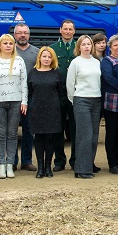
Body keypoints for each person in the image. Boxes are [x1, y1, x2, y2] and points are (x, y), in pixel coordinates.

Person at [0, 34, 28, 179]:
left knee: (13, 133)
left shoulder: (19, 61)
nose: (8, 46)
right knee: (1, 134)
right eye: (5, 43)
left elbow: (23, 82)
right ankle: (1, 165)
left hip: (15, 101)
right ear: (0, 45)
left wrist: (24, 101)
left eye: (10, 43)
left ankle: (10, 164)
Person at [66, 35, 102, 179]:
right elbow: (70, 84)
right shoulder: (76, 62)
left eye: (89, 44)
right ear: (79, 47)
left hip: (96, 100)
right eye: (84, 44)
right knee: (84, 135)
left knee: (94, 136)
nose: (86, 46)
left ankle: (89, 165)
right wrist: (75, 100)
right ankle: (81, 169)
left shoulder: (97, 62)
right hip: (81, 100)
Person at [27, 47, 62, 178]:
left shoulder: (56, 72)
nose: (47, 59)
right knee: (39, 138)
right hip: (37, 109)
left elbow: (60, 91)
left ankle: (48, 167)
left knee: (50, 138)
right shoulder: (32, 72)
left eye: (49, 57)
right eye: (44, 56)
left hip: (52, 110)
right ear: (39, 58)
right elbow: (30, 91)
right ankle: (40, 167)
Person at [50, 19, 76, 172]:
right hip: (58, 93)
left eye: (70, 29)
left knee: (75, 129)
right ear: (60, 30)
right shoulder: (52, 49)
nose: (67, 32)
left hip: (75, 94)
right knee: (57, 129)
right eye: (65, 29)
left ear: (74, 31)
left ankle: (75, 160)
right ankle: (59, 160)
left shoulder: (78, 47)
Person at [100, 34, 118, 174]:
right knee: (112, 133)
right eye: (115, 45)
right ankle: (113, 163)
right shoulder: (107, 61)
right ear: (110, 47)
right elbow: (108, 78)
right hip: (112, 102)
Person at [14, 23, 40, 171]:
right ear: (15, 35)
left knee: (29, 129)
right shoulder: (9, 51)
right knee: (12, 130)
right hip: (12, 95)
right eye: (19, 33)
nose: (22, 35)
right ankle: (12, 161)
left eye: (25, 33)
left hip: (31, 96)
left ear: (29, 35)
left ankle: (26, 160)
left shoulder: (36, 53)